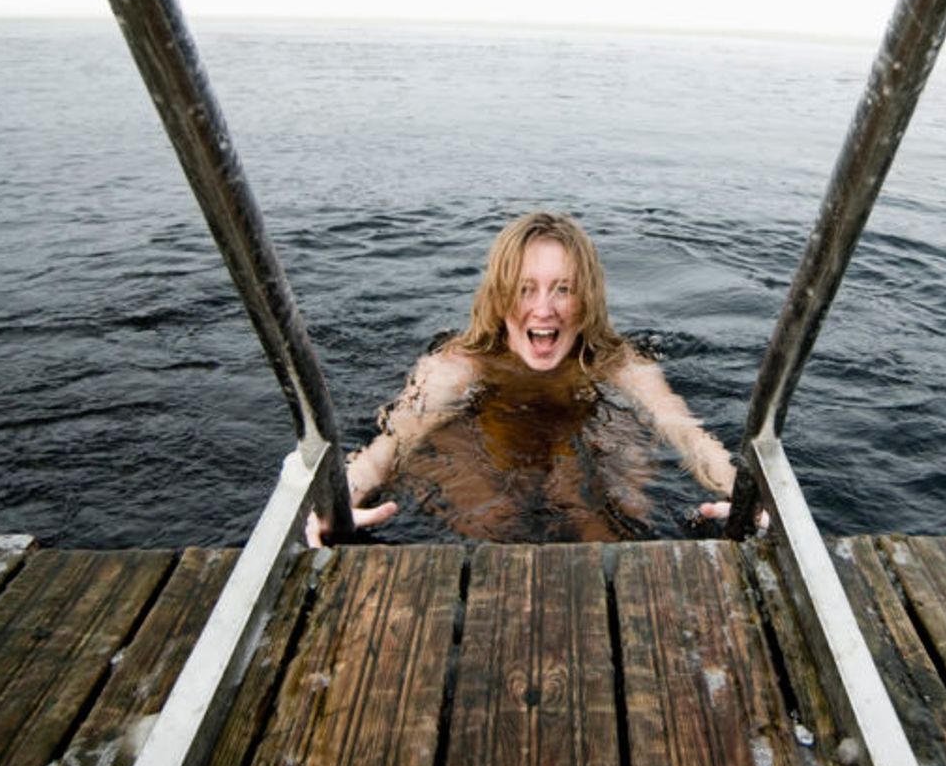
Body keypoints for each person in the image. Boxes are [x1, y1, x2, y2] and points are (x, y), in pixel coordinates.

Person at [304, 211, 744, 545]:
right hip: (489, 435)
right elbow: (388, 448)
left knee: (612, 524)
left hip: (585, 435)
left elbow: (690, 437)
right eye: (525, 288)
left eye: (563, 289)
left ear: (586, 297)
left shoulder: (618, 363)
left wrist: (747, 498)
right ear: (499, 295)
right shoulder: (459, 364)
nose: (543, 309)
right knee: (492, 526)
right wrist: (333, 505)